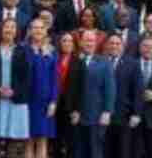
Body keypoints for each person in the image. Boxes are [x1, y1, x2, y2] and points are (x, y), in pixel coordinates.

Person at [62, 29, 115, 158]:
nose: (89, 43)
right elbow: (70, 89)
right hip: (77, 116)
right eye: (86, 40)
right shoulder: (74, 61)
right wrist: (72, 110)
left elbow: (110, 89)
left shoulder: (104, 62)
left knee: (95, 151)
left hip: (96, 115)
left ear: (96, 43)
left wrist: (107, 112)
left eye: (91, 40)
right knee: (77, 152)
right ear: (81, 42)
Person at [0, 16, 32, 153]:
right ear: (1, 29)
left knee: (13, 138)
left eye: (13, 27)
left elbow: (27, 76)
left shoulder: (23, 50)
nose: (9, 30)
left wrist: (15, 91)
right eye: (7, 27)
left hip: (15, 99)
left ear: (17, 31)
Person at [25, 18, 59, 158]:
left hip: (45, 101)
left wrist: (53, 101)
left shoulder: (52, 52)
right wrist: (36, 53)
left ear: (45, 31)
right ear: (30, 31)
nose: (38, 30)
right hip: (28, 100)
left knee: (42, 139)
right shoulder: (24, 49)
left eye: (41, 28)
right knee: (28, 139)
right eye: (35, 27)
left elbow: (55, 79)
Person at [127, 35, 152, 158]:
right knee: (134, 153)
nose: (148, 49)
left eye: (151, 47)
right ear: (140, 48)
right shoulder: (131, 65)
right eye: (145, 46)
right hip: (133, 118)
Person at [100, 34, 128, 158]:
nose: (114, 46)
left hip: (123, 116)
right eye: (111, 43)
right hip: (101, 115)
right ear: (106, 46)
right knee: (103, 150)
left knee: (121, 151)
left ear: (123, 46)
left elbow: (137, 91)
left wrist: (136, 113)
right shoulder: (99, 62)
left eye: (117, 44)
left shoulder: (132, 64)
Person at [53, 32, 77, 158]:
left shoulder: (79, 61)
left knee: (70, 140)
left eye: (69, 41)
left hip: (71, 106)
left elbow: (81, 87)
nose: (67, 43)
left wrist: (77, 109)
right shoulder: (54, 58)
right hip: (55, 105)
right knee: (56, 137)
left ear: (73, 44)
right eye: (64, 41)